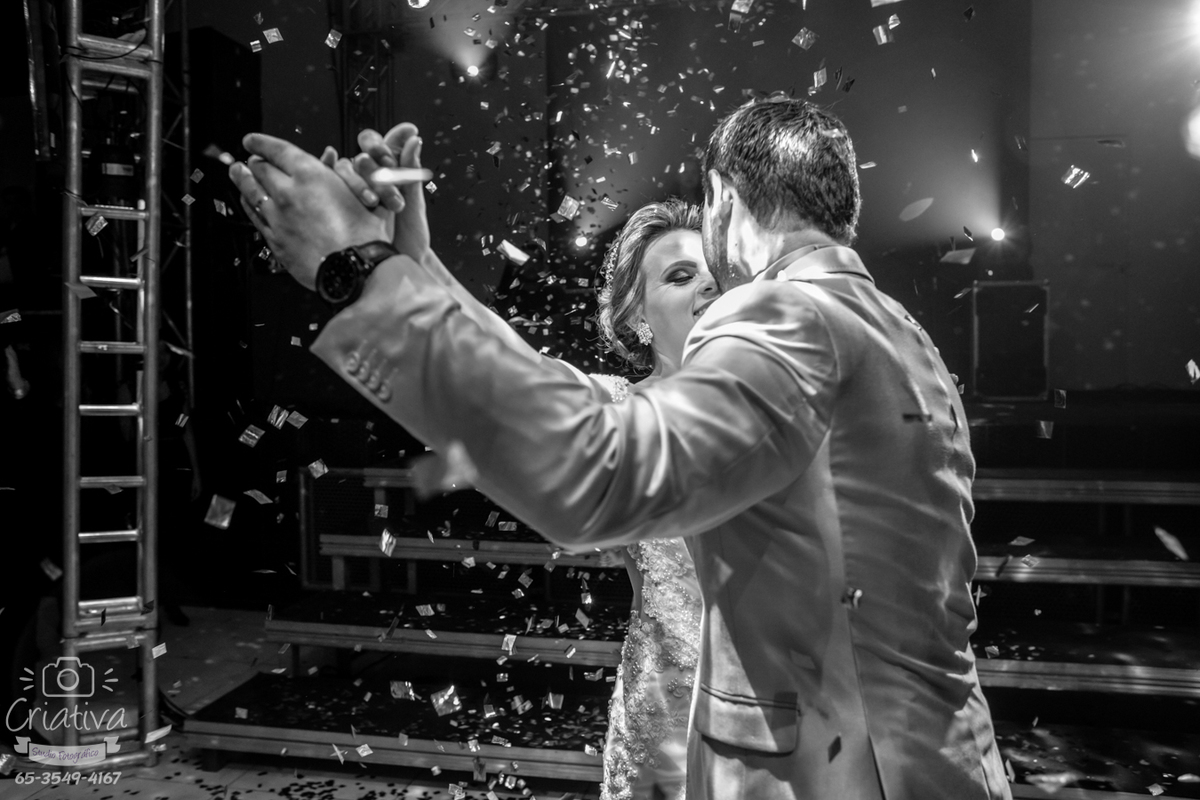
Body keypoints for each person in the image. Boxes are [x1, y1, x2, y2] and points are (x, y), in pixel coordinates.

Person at [229, 97, 1010, 800]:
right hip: (924, 757)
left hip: (836, 772)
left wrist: (360, 271)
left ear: (724, 199)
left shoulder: (789, 316)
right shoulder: (896, 330)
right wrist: (415, 266)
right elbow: (545, 390)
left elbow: (595, 474)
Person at [322, 130, 708, 798]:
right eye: (680, 276)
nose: (708, 285)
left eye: (717, 273)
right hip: (669, 737)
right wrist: (409, 259)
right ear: (639, 318)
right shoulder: (621, 411)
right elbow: (508, 364)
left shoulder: (783, 397)